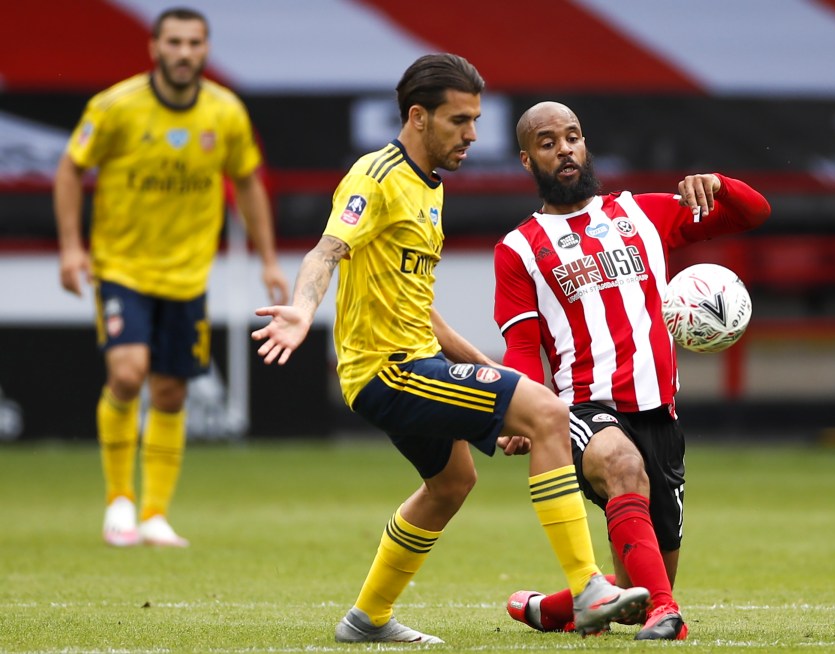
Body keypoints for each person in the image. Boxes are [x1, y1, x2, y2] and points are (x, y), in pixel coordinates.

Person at [251, 55, 649, 644]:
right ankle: (589, 587)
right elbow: (327, 250)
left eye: (475, 119)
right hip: (389, 372)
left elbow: (423, 313)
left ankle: (366, 619)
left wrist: (491, 375)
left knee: (452, 482)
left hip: (416, 362)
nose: (473, 135)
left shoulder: (428, 189)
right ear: (418, 117)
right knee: (548, 414)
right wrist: (303, 310)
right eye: (460, 120)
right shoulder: (376, 177)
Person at [494, 101, 771, 640]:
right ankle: (671, 616)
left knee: (636, 592)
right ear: (527, 161)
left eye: (572, 137)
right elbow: (523, 346)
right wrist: (523, 410)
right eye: (548, 143)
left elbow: (753, 213)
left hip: (660, 415)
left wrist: (719, 183)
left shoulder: (641, 213)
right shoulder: (518, 249)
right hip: (584, 408)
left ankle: (550, 608)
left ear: (585, 143)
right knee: (622, 467)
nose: (565, 149)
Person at [54, 7, 289, 548]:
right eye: (175, 43)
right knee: (129, 374)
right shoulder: (115, 107)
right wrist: (71, 248)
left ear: (205, 50)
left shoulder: (225, 112)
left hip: (188, 275)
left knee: (169, 391)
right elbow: (70, 167)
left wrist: (268, 257)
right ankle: (119, 502)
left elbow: (248, 182)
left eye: (194, 43)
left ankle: (155, 514)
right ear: (154, 49)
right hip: (122, 267)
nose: (185, 53)